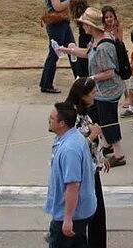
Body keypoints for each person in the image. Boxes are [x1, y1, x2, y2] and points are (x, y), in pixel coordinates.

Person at [64, 78, 109, 248]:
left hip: (92, 169)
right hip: (81, 173)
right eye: (92, 93)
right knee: (86, 213)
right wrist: (92, 135)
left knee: (98, 212)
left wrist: (101, 158)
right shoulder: (72, 117)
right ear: (82, 96)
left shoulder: (84, 113)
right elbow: (74, 147)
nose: (95, 95)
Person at [45, 102, 97, 248]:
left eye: (51, 118)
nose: (49, 120)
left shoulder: (70, 150)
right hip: (79, 211)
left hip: (73, 214)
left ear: (62, 123)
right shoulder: (71, 138)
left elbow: (73, 186)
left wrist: (67, 220)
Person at [82, 7, 127, 167]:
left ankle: (119, 154)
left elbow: (109, 72)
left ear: (92, 26)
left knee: (109, 121)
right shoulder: (97, 40)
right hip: (103, 90)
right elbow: (87, 53)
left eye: (85, 24)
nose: (83, 26)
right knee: (102, 118)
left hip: (108, 90)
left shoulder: (103, 46)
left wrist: (91, 78)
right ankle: (108, 145)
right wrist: (69, 50)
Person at [41, 0, 81, 94]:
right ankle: (46, 84)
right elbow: (57, 6)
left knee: (72, 49)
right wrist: (70, 1)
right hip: (56, 24)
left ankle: (79, 79)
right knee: (55, 52)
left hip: (63, 22)